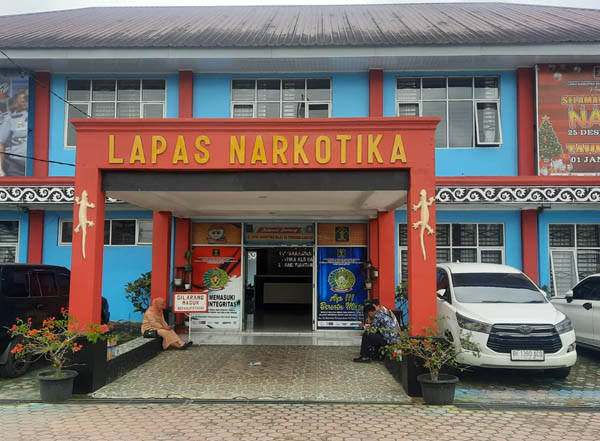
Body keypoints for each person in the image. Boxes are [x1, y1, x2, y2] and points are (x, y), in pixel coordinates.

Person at [0, 92, 28, 177]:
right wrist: (0, 169)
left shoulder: (37, 116)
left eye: (26, 98)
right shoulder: (10, 119)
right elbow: (1, 144)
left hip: (37, 165)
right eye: (22, 99)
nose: (24, 101)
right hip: (16, 166)